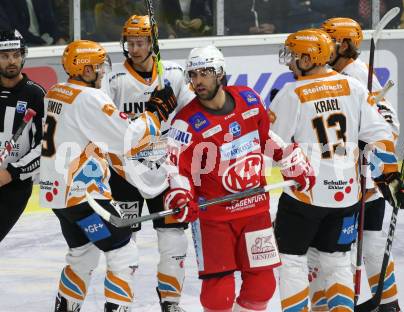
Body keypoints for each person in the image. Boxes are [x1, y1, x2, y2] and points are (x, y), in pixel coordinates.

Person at [164, 44, 315, 312]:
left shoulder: (249, 98)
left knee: (262, 287)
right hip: (214, 218)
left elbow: (265, 137)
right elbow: (176, 167)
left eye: (205, 73)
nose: (198, 81)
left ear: (220, 72)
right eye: (193, 75)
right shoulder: (185, 123)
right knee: (218, 296)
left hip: (254, 208)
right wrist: (180, 193)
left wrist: (290, 161)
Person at [270, 28, 404, 311]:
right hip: (347, 197)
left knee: (292, 261)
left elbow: (271, 145)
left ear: (308, 59)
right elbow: (381, 135)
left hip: (305, 198)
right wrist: (389, 176)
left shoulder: (292, 93)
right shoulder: (354, 88)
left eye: (294, 56)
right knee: (336, 262)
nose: (289, 62)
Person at [39, 39, 167, 311]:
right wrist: (155, 113)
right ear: (85, 70)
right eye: (98, 67)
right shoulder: (90, 97)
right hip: (85, 195)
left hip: (58, 197)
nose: (103, 72)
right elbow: (128, 138)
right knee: (123, 252)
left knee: (82, 255)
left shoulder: (55, 91)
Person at [100, 15, 194, 312]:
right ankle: (119, 303)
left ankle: (170, 301)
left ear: (152, 42)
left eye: (141, 42)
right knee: (123, 242)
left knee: (174, 240)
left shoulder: (175, 75)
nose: (135, 48)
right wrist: (151, 114)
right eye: (130, 42)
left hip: (164, 169)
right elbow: (106, 125)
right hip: (124, 172)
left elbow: (194, 115)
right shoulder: (113, 81)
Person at [319, 17, 404, 312]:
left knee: (365, 243)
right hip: (344, 176)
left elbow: (389, 127)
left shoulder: (357, 75)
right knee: (351, 245)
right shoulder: (332, 73)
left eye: (328, 39)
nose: (323, 44)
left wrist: (364, 138)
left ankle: (388, 305)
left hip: (365, 177)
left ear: (344, 44)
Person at [0, 29, 45, 242]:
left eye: (16, 55)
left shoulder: (35, 95)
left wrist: (11, 173)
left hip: (14, 187)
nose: (11, 61)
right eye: (4, 56)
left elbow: (45, 147)